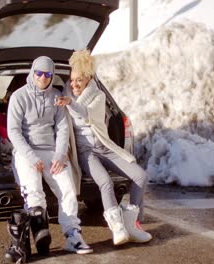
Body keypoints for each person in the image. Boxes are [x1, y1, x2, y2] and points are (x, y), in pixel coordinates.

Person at [55, 49, 152, 246]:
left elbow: (86, 113)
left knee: (140, 175)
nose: (73, 84)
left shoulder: (98, 96)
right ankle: (117, 227)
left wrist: (71, 103)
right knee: (105, 182)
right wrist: (68, 101)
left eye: (79, 81)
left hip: (105, 148)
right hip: (85, 152)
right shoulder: (65, 94)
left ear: (89, 79)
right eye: (72, 80)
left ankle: (132, 222)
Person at [4, 56, 92, 263]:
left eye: (47, 74)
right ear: (33, 73)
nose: (43, 78)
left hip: (52, 151)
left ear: (52, 76)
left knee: (68, 189)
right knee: (34, 191)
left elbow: (62, 129)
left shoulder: (57, 97)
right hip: (26, 152)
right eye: (39, 73)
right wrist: (31, 157)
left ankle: (72, 235)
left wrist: (60, 156)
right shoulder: (19, 97)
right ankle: (39, 230)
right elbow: (13, 132)